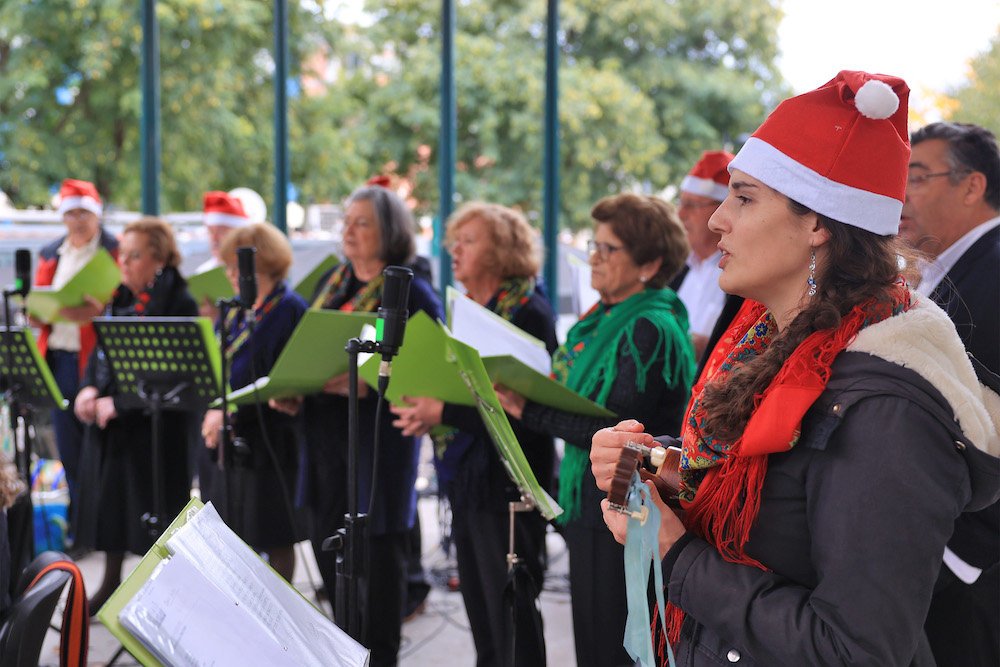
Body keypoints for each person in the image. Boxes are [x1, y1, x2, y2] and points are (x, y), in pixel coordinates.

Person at [591, 70, 1000, 666]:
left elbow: (856, 649)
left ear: (818, 224)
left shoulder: (887, 407)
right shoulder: (778, 344)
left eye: (744, 197)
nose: (715, 220)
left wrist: (677, 556)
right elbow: (769, 495)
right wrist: (653, 462)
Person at [494, 193, 696, 667]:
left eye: (609, 249)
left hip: (628, 501)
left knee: (613, 639)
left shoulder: (649, 326)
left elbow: (616, 429)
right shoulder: (600, 318)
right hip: (594, 500)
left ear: (649, 263)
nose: (594, 257)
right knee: (592, 634)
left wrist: (527, 409)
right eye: (594, 244)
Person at [271, 182, 443, 667]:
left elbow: (425, 373)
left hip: (377, 443)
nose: (348, 231)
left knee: (378, 558)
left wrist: (371, 383)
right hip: (325, 436)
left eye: (361, 222)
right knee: (330, 543)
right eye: (346, 222)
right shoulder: (333, 285)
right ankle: (343, 651)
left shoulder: (412, 293)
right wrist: (295, 391)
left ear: (389, 231)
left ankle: (380, 656)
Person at [389, 202, 558, 667]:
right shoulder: (468, 309)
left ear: (503, 248)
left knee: (512, 608)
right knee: (483, 612)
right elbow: (466, 394)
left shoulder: (529, 311)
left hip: (508, 482)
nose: (455, 251)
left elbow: (521, 409)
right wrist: (431, 413)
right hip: (467, 476)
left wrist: (441, 409)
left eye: (469, 240)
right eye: (454, 241)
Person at [900, 121, 1000, 667]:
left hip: (969, 566)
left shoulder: (993, 269)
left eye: (917, 177)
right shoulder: (944, 271)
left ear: (972, 186)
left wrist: (961, 556)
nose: (902, 194)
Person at [73, 217, 199, 612]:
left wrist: (121, 404)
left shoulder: (179, 299)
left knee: (155, 511)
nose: (123, 262)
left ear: (158, 259)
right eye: (121, 254)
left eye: (134, 255)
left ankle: (162, 598)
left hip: (158, 429)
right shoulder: (122, 297)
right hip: (118, 424)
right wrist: (92, 387)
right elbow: (102, 352)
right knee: (110, 505)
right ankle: (111, 582)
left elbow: (173, 374)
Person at [199, 223, 306, 583]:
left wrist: (229, 408)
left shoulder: (288, 308)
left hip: (270, 437)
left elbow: (280, 376)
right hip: (228, 440)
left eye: (237, 267)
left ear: (265, 264)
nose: (230, 274)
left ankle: (279, 619)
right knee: (230, 532)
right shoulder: (234, 310)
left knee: (274, 533)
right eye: (228, 266)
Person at [32, 179, 119, 512]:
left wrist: (99, 314)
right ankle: (82, 522)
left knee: (97, 444)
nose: (79, 220)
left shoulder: (114, 250)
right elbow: (40, 300)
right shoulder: (51, 252)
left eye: (85, 213)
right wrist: (38, 314)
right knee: (67, 446)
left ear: (96, 215)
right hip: (58, 355)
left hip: (96, 359)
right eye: (72, 213)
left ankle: (104, 520)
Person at [671, 150, 743, 361]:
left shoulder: (743, 277)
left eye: (692, 205)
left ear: (722, 210)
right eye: (681, 202)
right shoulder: (674, 271)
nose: (680, 214)